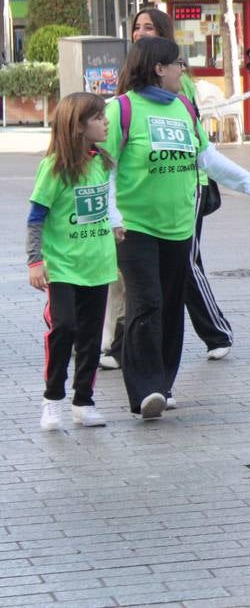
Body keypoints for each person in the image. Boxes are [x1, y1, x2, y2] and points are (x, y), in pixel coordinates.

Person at [106, 38, 250, 418]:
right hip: (135, 227)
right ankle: (144, 390)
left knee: (171, 306)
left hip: (178, 227)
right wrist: (113, 216)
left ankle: (163, 383)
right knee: (146, 303)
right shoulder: (121, 110)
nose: (184, 71)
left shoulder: (183, 108)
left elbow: (206, 157)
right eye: (179, 64)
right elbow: (105, 168)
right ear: (159, 68)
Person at [101, 8, 234, 368]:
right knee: (134, 277)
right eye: (137, 27)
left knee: (184, 268)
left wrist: (242, 182)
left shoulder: (176, 82)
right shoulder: (127, 90)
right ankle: (120, 344)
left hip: (186, 188)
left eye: (149, 27)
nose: (140, 32)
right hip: (139, 199)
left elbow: (198, 146)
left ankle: (216, 332)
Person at [28, 93, 120, 431]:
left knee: (92, 337)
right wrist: (35, 261)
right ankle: (52, 400)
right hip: (63, 265)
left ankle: (83, 401)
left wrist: (114, 225)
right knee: (64, 327)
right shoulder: (53, 168)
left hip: (98, 263)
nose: (106, 122)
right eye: (98, 118)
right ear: (78, 126)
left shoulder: (103, 161)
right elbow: (36, 216)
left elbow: (105, 202)